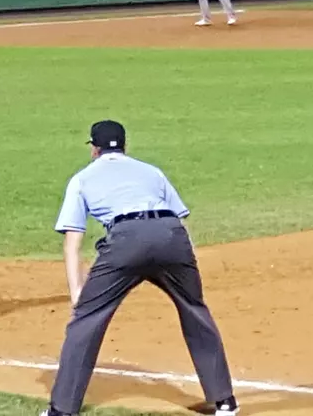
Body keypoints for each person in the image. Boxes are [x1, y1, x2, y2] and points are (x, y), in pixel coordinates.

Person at [40, 120, 238, 416]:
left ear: (94, 149)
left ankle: (62, 410)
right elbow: (180, 219)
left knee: (86, 320)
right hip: (172, 236)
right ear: (125, 146)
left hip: (125, 243)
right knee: (195, 310)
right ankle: (224, 401)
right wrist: (186, 270)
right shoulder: (151, 171)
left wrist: (77, 292)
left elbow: (72, 241)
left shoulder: (82, 179)